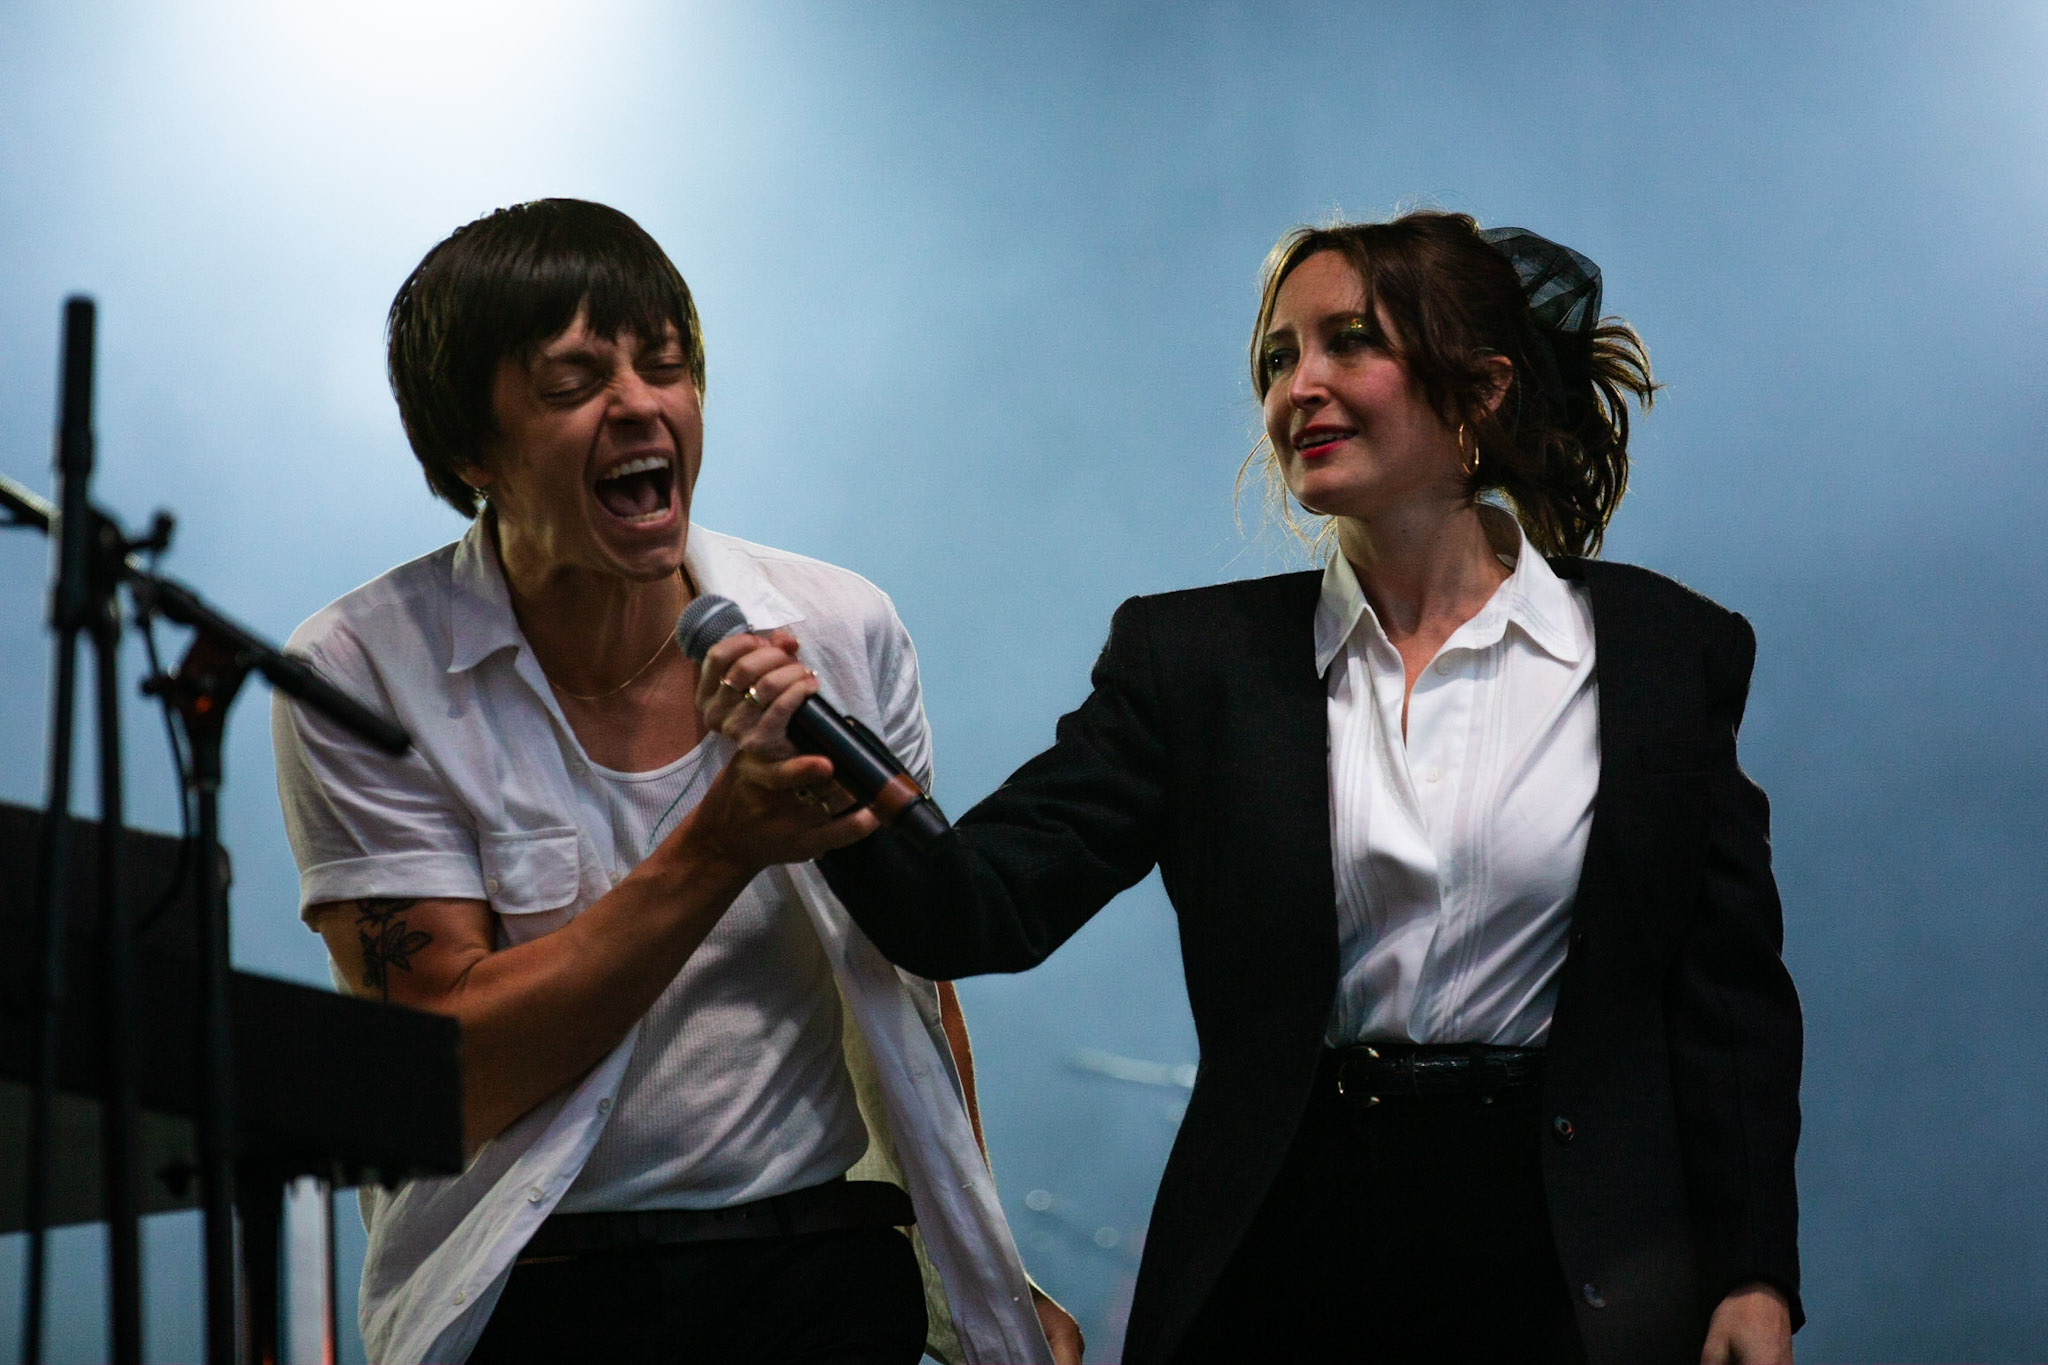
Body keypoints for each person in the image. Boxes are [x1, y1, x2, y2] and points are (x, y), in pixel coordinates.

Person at [703, 211, 1802, 1365]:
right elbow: (973, 909)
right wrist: (814, 753)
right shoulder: (1194, 664)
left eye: (1347, 343)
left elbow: (1727, 1004)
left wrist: (1753, 1273)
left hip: (1577, 1268)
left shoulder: (1660, 651)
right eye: (1277, 359)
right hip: (1288, 1256)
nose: (1297, 388)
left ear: (1480, 391)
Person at [270, 198, 1080, 1365]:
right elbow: (444, 1080)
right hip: (531, 1288)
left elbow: (910, 981)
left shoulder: (837, 625)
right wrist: (718, 844)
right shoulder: (363, 669)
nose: (639, 405)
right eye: (572, 382)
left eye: (665, 366)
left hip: (819, 1262)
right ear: (469, 450)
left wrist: (983, 1271)